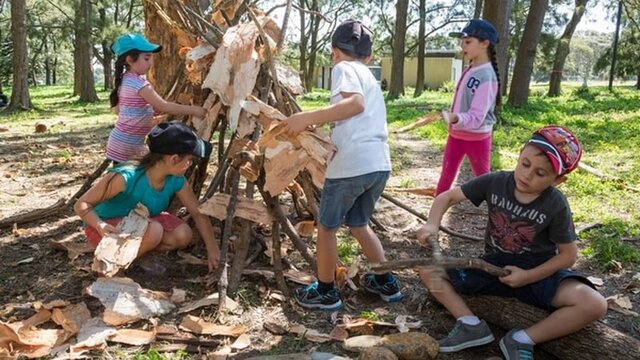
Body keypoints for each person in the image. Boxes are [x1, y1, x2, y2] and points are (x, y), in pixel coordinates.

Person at [417, 126, 607, 359]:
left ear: (558, 180)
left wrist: (528, 277)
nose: (527, 175)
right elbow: (447, 197)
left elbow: (568, 256)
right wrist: (431, 224)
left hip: (538, 272)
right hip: (493, 266)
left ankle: (522, 339)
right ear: (519, 154)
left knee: (594, 304)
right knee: (429, 271)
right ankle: (470, 325)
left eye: (540, 173)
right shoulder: (496, 182)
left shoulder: (555, 204)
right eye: (525, 164)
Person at [282, 19, 401, 310]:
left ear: (335, 52)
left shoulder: (344, 68)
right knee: (359, 224)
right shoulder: (369, 75)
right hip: (378, 163)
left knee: (327, 227)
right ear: (369, 56)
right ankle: (385, 282)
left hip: (351, 165)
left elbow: (354, 104)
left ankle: (325, 291)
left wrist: (306, 118)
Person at [75, 121, 220, 274]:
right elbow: (81, 204)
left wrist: (213, 249)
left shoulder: (176, 179)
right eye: (189, 160)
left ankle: (139, 255)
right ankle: (111, 265)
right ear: (174, 159)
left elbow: (197, 212)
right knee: (154, 230)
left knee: (182, 234)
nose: (190, 164)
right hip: (107, 229)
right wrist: (100, 225)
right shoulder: (126, 177)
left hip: (141, 224)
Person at [406, 19, 501, 195]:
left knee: (484, 179)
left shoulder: (487, 76)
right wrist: (453, 118)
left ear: (485, 44)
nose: (462, 46)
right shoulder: (470, 68)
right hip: (455, 135)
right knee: (446, 176)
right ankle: (433, 218)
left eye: (467, 42)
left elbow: (476, 117)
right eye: (461, 42)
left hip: (477, 139)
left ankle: (498, 215)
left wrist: (456, 118)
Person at [106, 33, 207, 164]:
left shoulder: (126, 79)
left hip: (120, 141)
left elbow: (120, 110)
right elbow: (163, 106)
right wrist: (194, 111)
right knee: (133, 180)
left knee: (124, 180)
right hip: (128, 146)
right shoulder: (139, 84)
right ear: (130, 59)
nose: (151, 63)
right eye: (146, 58)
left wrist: (147, 112)